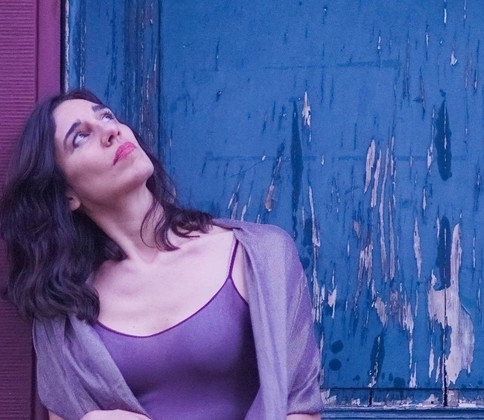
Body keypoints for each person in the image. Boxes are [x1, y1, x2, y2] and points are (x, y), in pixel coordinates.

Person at [0, 89, 323, 420]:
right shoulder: (63, 315)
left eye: (107, 116)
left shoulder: (261, 255)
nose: (110, 130)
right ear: (67, 195)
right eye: (80, 137)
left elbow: (302, 411)